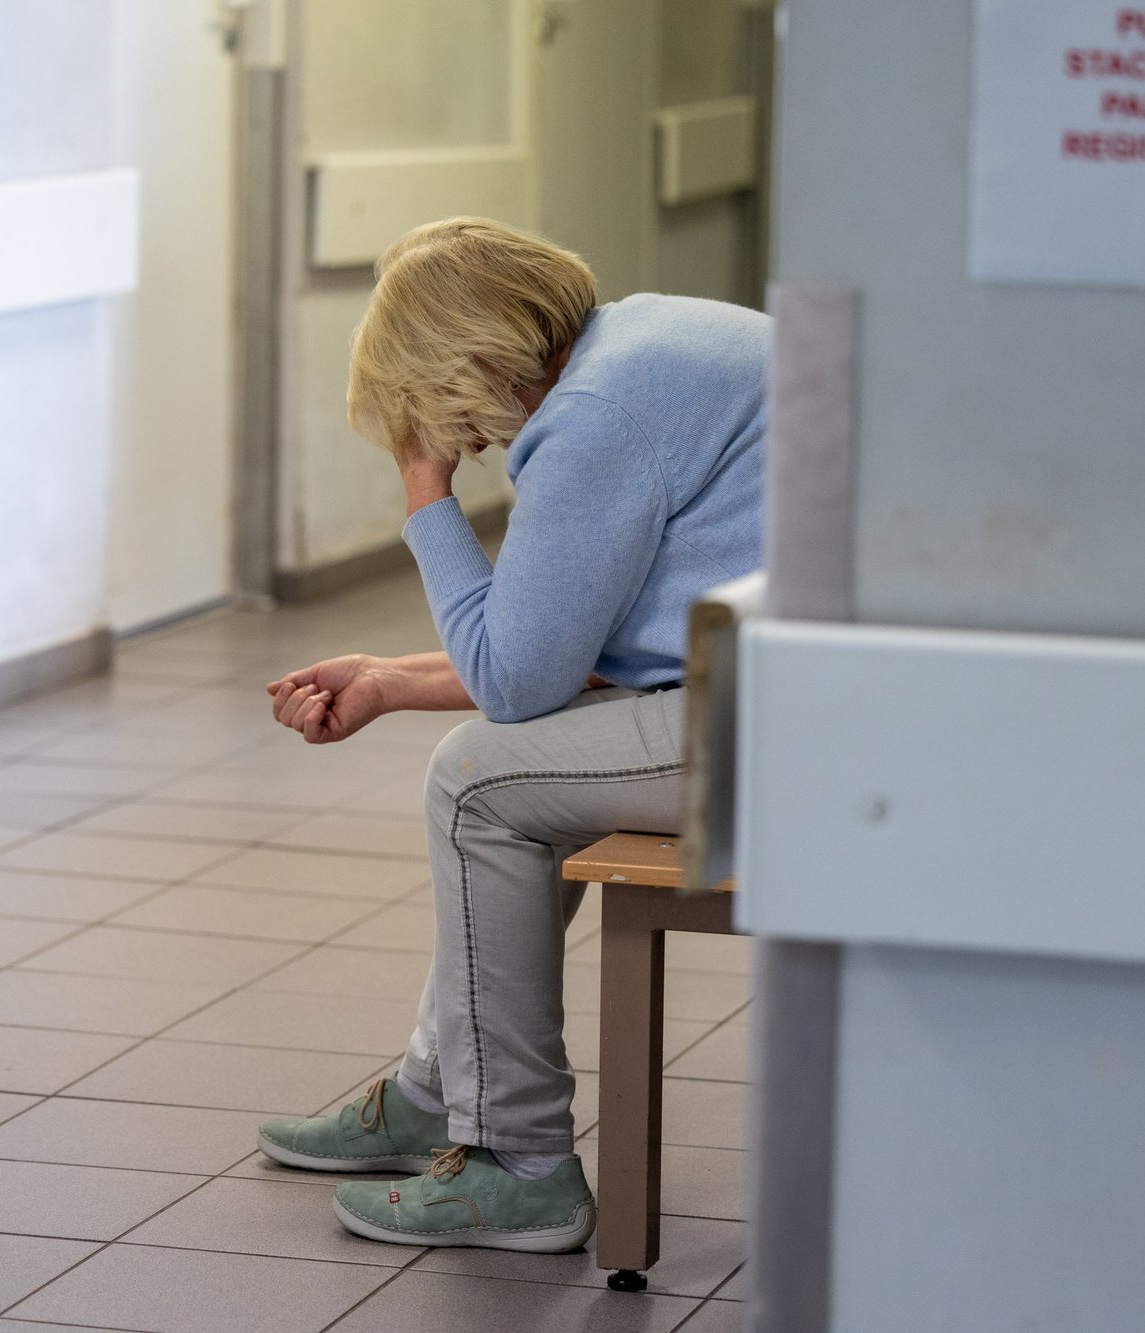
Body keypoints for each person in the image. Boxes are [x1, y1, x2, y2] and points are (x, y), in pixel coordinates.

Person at [256, 217, 767, 1253]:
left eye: (432, 410)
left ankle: (519, 1163)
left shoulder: (595, 422)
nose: (464, 438)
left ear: (468, 363)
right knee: (519, 766)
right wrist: (388, 679)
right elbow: (568, 654)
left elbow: (518, 681)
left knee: (477, 783)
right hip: (829, 688)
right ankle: (435, 1090)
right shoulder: (645, 343)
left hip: (792, 723)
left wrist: (424, 492)